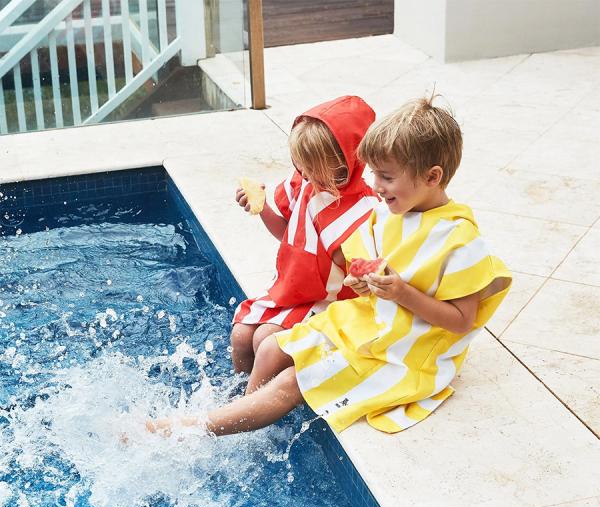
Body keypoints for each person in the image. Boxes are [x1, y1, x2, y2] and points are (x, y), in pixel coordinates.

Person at [148, 96, 512, 438]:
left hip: (405, 351)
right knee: (271, 348)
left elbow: (462, 321)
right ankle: (241, 415)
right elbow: (358, 272)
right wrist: (365, 282)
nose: (375, 186)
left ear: (432, 177)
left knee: (291, 382)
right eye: (375, 175)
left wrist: (401, 293)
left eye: (386, 177)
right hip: (367, 323)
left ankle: (188, 429)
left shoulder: (460, 240)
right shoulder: (390, 213)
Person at [230, 95, 379, 374]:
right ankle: (236, 393)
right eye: (301, 165)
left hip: (328, 303)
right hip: (291, 290)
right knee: (240, 335)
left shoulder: (363, 212)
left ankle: (257, 399)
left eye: (314, 168)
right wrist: (261, 208)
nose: (306, 175)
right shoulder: (304, 183)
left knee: (264, 340)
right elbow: (288, 235)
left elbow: (363, 280)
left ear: (349, 161)